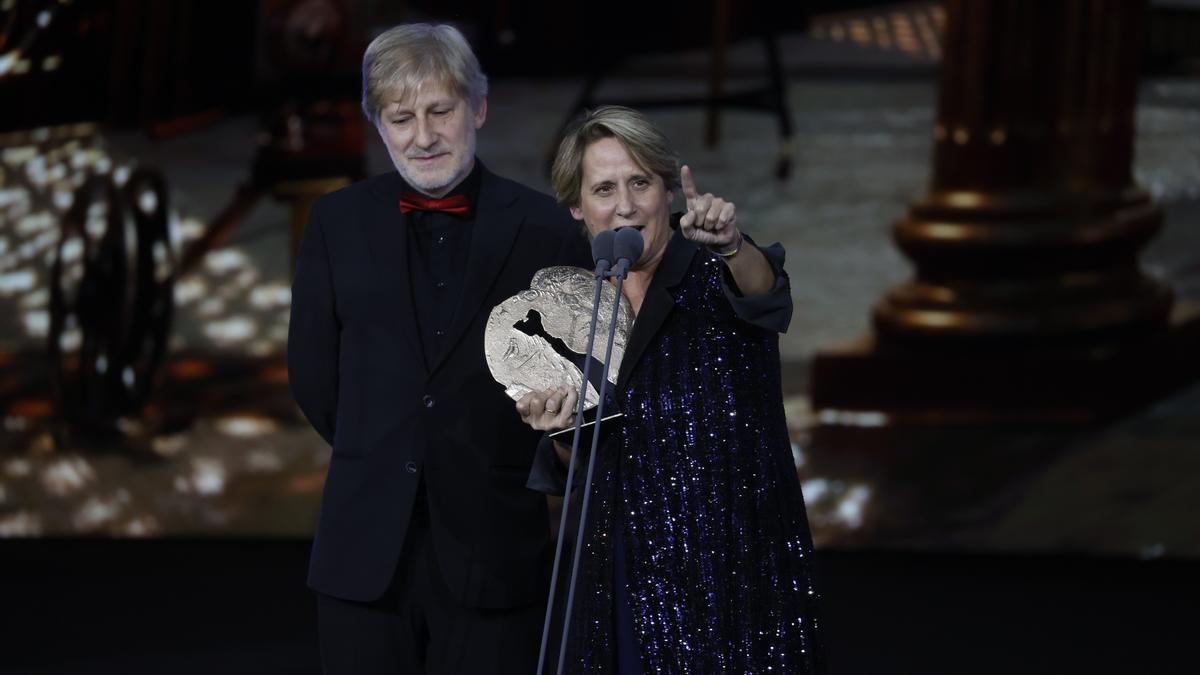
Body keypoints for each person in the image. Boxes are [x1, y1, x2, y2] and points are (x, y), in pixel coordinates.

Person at [287, 23, 591, 674]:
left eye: (440, 111)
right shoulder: (335, 224)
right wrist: (386, 440)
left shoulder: (545, 229)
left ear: (477, 108)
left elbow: (581, 381)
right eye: (401, 117)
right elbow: (314, 377)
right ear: (378, 124)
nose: (422, 136)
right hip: (362, 552)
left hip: (497, 549)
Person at [518, 106, 824, 673]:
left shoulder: (713, 265)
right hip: (624, 578)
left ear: (667, 191)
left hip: (735, 575)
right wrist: (562, 427)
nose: (626, 204)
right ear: (578, 209)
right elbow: (577, 465)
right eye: (604, 189)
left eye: (640, 182)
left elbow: (765, 294)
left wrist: (732, 245)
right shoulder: (573, 311)